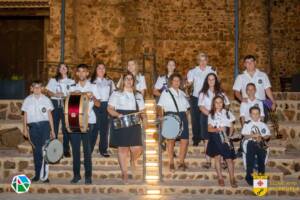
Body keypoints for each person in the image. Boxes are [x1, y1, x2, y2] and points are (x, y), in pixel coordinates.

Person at [107, 72, 145, 183]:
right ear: (123, 80)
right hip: (121, 120)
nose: (129, 81)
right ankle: (124, 172)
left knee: (137, 148)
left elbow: (142, 111)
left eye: (131, 79)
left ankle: (133, 160)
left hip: (134, 120)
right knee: (122, 148)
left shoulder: (138, 95)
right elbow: (109, 109)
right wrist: (118, 115)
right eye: (126, 79)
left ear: (133, 81)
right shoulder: (116, 93)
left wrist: (146, 122)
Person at [68, 64, 101, 184]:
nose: (81, 74)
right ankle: (76, 175)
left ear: (87, 73)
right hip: (74, 122)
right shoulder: (71, 88)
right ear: (77, 73)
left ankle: (88, 176)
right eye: (79, 72)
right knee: (75, 150)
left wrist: (92, 97)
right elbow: (68, 107)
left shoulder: (93, 86)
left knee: (87, 151)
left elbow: (98, 105)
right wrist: (73, 96)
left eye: (84, 72)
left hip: (89, 121)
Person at [21, 80, 55, 183]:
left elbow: (49, 115)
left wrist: (52, 130)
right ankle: (37, 174)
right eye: (35, 87)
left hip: (45, 126)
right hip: (33, 128)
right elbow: (25, 115)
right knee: (36, 151)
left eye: (39, 87)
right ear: (31, 88)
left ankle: (44, 175)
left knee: (44, 151)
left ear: (42, 89)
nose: (37, 89)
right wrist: (24, 129)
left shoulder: (46, 100)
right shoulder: (27, 100)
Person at [157, 73, 190, 172]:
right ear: (171, 82)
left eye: (178, 81)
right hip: (170, 115)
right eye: (175, 80)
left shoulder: (183, 93)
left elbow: (187, 108)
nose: (177, 82)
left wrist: (186, 117)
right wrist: (162, 118)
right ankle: (171, 162)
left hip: (182, 116)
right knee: (171, 140)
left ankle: (181, 162)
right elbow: (159, 106)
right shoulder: (166, 92)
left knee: (185, 140)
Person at [198, 73, 230, 169]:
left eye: (213, 79)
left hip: (220, 118)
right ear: (206, 81)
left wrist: (222, 112)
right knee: (207, 139)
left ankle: (221, 161)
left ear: (216, 81)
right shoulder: (203, 93)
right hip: (206, 117)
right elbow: (200, 106)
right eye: (209, 79)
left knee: (220, 138)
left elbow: (227, 104)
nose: (211, 81)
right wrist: (211, 115)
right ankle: (208, 161)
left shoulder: (221, 93)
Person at [233, 55, 276, 121]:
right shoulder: (240, 77)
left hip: (261, 103)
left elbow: (267, 89)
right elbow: (236, 91)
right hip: (247, 103)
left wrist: (273, 102)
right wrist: (241, 99)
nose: (249, 64)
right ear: (244, 64)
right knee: (248, 124)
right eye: (247, 62)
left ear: (255, 62)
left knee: (262, 123)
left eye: (251, 61)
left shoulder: (263, 75)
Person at [206, 95, 237, 188]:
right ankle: (220, 178)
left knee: (229, 159)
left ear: (223, 103)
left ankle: (232, 178)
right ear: (213, 104)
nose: (219, 104)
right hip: (215, 137)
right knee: (217, 158)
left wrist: (229, 136)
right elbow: (209, 129)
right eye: (216, 102)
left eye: (220, 102)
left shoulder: (227, 113)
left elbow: (231, 126)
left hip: (225, 138)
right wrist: (217, 129)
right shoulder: (211, 114)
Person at [187, 52, 216, 146]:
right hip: (196, 97)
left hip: (208, 97)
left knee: (207, 118)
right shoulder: (192, 71)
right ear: (198, 61)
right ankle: (196, 138)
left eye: (204, 60)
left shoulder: (211, 70)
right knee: (195, 119)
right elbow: (189, 84)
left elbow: (215, 82)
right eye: (200, 60)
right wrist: (186, 86)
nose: (202, 62)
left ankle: (207, 137)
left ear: (207, 60)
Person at [46, 63, 74, 157]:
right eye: (61, 67)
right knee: (54, 126)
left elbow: (74, 93)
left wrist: (66, 95)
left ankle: (66, 149)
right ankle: (54, 149)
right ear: (58, 70)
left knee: (66, 127)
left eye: (65, 67)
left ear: (67, 69)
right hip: (55, 103)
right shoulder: (53, 80)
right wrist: (55, 95)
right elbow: (48, 92)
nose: (63, 68)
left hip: (66, 103)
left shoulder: (71, 81)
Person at [90, 61, 116, 157]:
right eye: (99, 68)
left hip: (106, 105)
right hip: (94, 105)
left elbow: (114, 94)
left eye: (103, 68)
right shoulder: (91, 81)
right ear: (96, 70)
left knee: (105, 129)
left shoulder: (109, 81)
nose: (101, 70)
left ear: (105, 70)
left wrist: (111, 106)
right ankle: (89, 150)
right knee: (94, 129)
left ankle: (103, 149)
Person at [241, 106, 271, 186]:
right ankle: (249, 177)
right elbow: (244, 134)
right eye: (253, 114)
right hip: (250, 144)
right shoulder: (247, 124)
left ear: (259, 114)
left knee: (261, 161)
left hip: (260, 143)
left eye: (257, 114)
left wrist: (262, 137)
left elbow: (268, 135)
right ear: (250, 115)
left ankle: (261, 177)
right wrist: (252, 135)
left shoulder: (263, 124)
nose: (255, 115)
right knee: (249, 161)